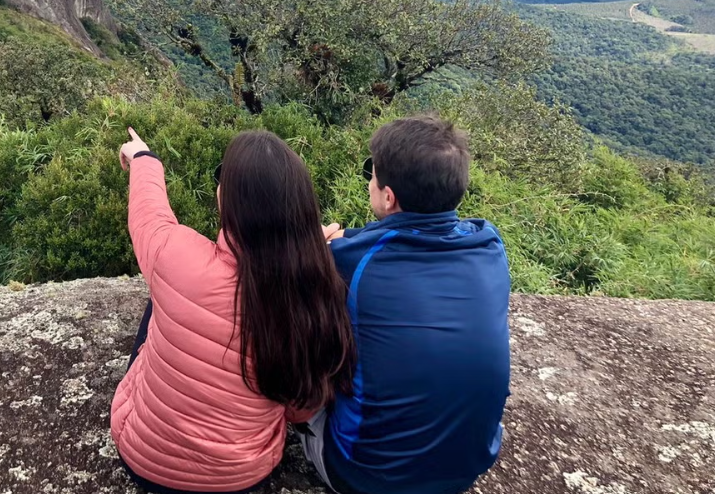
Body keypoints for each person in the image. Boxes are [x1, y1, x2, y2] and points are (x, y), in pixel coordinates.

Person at [111, 127, 356, 494]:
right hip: (241, 479)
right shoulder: (313, 293)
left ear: (227, 197)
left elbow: (150, 217)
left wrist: (145, 160)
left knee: (162, 297)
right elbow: (300, 409)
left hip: (144, 460)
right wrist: (307, 253)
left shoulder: (176, 256)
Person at [299, 114, 511, 494]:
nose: (369, 181)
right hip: (466, 469)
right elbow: (402, 240)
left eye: (373, 174)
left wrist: (323, 246)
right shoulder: (488, 245)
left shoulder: (348, 263)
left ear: (388, 196)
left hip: (366, 476)